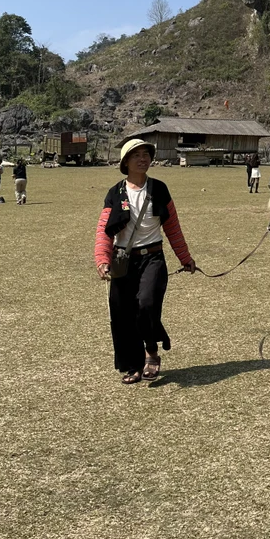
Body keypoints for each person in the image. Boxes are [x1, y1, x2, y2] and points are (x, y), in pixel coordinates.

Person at [94, 138, 196, 385]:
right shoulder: (116, 193)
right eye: (136, 155)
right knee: (123, 314)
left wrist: (185, 258)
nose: (143, 159)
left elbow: (172, 227)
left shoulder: (159, 189)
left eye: (146, 154)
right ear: (126, 162)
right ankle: (134, 365)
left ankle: (151, 350)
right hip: (122, 261)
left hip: (153, 258)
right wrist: (102, 260)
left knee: (147, 305)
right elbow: (104, 230)